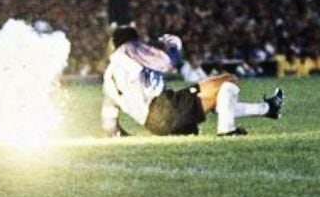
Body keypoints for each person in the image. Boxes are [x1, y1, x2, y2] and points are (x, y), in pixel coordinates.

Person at [101, 27, 284, 137]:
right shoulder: (130, 49)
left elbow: (109, 123)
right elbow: (166, 63)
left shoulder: (108, 78)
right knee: (228, 80)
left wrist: (122, 136)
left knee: (217, 98)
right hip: (166, 109)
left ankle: (268, 109)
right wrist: (174, 47)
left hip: (154, 125)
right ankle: (227, 131)